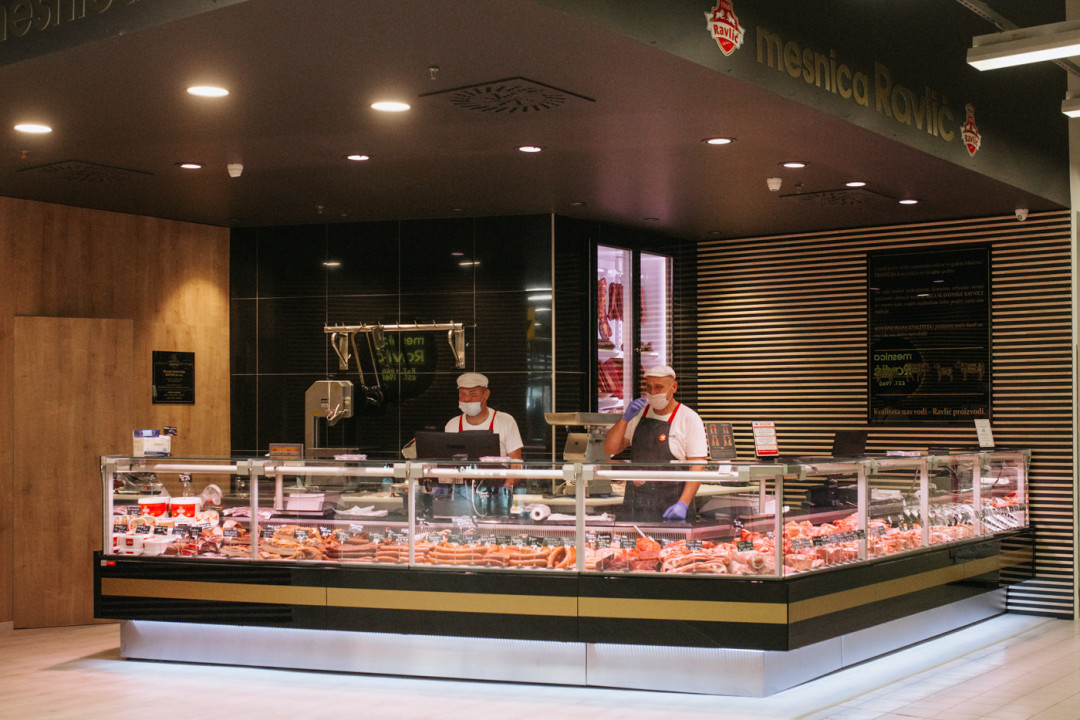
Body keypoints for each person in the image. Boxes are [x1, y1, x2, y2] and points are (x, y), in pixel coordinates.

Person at [603, 365, 707, 522]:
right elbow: (610, 448)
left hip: (671, 504)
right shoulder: (639, 414)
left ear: (674, 387)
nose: (653, 392)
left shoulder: (689, 418)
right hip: (636, 505)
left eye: (659, 387)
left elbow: (698, 466)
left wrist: (683, 504)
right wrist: (624, 419)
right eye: (648, 387)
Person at [446, 371, 524, 464]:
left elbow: (516, 462)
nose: (467, 399)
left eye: (473, 393)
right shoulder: (452, 425)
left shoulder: (506, 421)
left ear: (486, 394)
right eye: (463, 394)